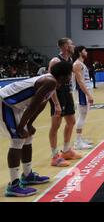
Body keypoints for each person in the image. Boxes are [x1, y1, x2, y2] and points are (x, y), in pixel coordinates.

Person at [0, 61, 73, 197]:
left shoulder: (53, 82)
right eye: (70, 74)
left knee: (27, 137)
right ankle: (13, 186)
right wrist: (22, 126)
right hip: (5, 103)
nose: (71, 77)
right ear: (64, 75)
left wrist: (29, 124)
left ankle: (27, 176)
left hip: (16, 106)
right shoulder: (49, 81)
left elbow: (41, 105)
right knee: (17, 140)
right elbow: (33, 105)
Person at [48, 38, 81, 167]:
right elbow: (50, 82)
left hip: (67, 93)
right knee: (55, 125)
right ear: (65, 46)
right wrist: (55, 103)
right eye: (71, 44)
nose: (73, 45)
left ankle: (66, 150)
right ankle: (54, 156)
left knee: (71, 121)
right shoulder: (55, 61)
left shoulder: (70, 60)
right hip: (57, 94)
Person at [73, 46, 94, 150]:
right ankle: (77, 142)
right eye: (85, 50)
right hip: (82, 93)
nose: (86, 52)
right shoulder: (77, 64)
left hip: (85, 92)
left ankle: (80, 139)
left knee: (83, 115)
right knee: (82, 115)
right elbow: (80, 82)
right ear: (80, 52)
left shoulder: (81, 64)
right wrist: (89, 95)